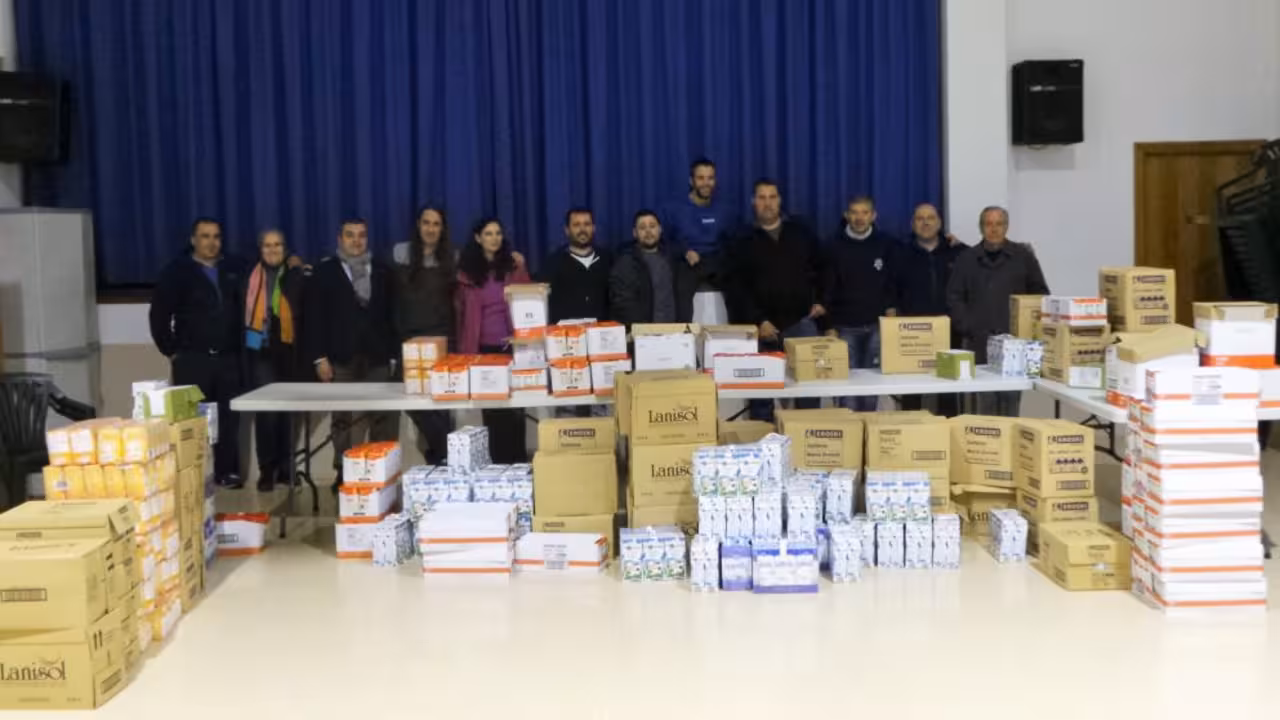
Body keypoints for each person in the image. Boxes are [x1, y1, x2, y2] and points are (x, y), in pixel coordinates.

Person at [149, 218, 246, 489]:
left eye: (216, 236)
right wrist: (172, 351)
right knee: (192, 421)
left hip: (227, 359)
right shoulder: (176, 272)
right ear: (193, 240)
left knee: (228, 419)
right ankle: (194, 474)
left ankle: (227, 472)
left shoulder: (234, 268)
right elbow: (158, 316)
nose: (211, 242)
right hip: (193, 360)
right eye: (205, 236)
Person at [304, 218, 399, 491]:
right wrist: (319, 358)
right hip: (340, 358)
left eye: (361, 235)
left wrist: (393, 354)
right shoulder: (324, 271)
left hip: (377, 357)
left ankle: (381, 470)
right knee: (342, 418)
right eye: (350, 235)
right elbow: (313, 318)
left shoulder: (382, 270)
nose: (356, 241)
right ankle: (343, 472)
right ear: (340, 239)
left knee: (382, 417)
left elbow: (392, 315)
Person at [725, 179, 825, 421]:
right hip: (761, 329)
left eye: (772, 197)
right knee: (761, 397)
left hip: (801, 324)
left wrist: (821, 301)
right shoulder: (741, 240)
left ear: (779, 201)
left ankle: (807, 440)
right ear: (753, 202)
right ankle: (764, 442)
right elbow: (735, 287)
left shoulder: (801, 234)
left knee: (809, 392)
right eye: (762, 198)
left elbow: (824, 268)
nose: (767, 203)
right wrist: (758, 320)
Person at [947, 206, 1050, 417]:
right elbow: (954, 297)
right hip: (978, 342)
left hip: (1014, 345)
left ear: (1007, 227)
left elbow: (1040, 295)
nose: (994, 229)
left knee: (1010, 405)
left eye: (999, 224)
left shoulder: (1023, 256)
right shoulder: (967, 258)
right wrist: (967, 326)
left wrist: (1027, 330)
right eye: (988, 224)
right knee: (982, 408)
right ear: (981, 227)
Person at [456, 218, 532, 463]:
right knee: (492, 414)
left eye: (498, 233)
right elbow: (460, 314)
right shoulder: (465, 273)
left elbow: (529, 301)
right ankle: (497, 467)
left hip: (511, 348)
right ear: (478, 238)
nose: (494, 238)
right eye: (488, 234)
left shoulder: (514, 267)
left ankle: (519, 465)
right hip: (483, 352)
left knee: (515, 411)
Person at [240, 229, 307, 492]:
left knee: (289, 413)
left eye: (277, 244)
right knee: (267, 413)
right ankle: (267, 470)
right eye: (267, 245)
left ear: (285, 248)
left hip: (289, 350)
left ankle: (286, 469)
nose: (272, 249)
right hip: (261, 350)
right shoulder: (249, 275)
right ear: (260, 249)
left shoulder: (296, 274)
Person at [392, 206, 456, 466]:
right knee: (413, 402)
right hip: (408, 344)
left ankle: (441, 463)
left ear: (442, 229)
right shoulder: (400, 254)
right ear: (418, 225)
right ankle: (446, 452)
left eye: (436, 224)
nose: (431, 229)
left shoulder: (452, 258)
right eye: (426, 223)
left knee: (441, 406)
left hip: (441, 342)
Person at [892, 203, 967, 416]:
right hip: (912, 332)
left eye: (930, 218)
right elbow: (890, 288)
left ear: (939, 223)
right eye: (920, 218)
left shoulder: (958, 252)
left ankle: (948, 428)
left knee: (949, 388)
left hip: (949, 331)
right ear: (912, 224)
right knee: (911, 389)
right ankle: (911, 429)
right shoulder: (900, 253)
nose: (925, 223)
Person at [822, 196, 896, 411]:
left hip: (877, 327)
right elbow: (826, 289)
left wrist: (891, 315)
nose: (859, 217)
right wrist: (828, 325)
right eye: (854, 212)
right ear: (846, 215)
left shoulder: (886, 244)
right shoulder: (832, 246)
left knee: (872, 387)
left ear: (873, 216)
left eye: (865, 212)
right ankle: (850, 430)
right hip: (844, 328)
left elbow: (893, 283)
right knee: (846, 389)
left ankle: (868, 430)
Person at [608, 209, 698, 329]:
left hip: (676, 331)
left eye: (652, 226)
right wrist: (644, 330)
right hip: (642, 334)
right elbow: (623, 303)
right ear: (635, 233)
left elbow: (684, 296)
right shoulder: (625, 263)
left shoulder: (675, 260)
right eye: (642, 227)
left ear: (660, 229)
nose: (648, 231)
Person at [663, 157, 736, 287]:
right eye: (701, 178)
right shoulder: (673, 210)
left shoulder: (726, 211)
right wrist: (684, 252)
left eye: (710, 178)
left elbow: (733, 243)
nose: (706, 183)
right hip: (687, 265)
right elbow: (665, 243)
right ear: (691, 181)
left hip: (718, 266)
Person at [538, 207, 612, 324]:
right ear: (567, 230)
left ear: (594, 228)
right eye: (576, 225)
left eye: (587, 224)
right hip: (566, 332)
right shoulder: (552, 263)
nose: (582, 229)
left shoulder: (608, 260)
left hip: (602, 331)